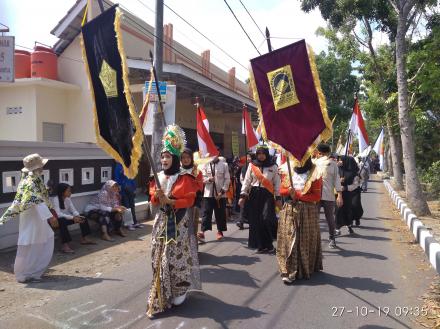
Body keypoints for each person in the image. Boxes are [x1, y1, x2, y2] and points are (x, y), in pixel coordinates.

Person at [146, 125, 199, 318]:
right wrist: (158, 197)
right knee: (158, 256)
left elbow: (190, 200)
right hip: (161, 221)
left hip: (179, 222)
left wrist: (171, 201)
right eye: (162, 156)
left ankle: (179, 288)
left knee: (176, 256)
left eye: (168, 156)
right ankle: (160, 291)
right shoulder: (157, 177)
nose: (164, 160)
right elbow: (151, 198)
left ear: (175, 158)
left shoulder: (185, 177)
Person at [0, 154, 56, 283]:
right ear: (37, 167)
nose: (43, 167)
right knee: (30, 243)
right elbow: (35, 200)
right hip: (33, 216)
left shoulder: (32, 179)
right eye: (41, 165)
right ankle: (24, 274)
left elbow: (37, 196)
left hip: (35, 215)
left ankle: (33, 272)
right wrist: (50, 216)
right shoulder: (30, 181)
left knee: (42, 240)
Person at [276, 157, 323, 284]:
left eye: (302, 159)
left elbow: (317, 196)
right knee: (290, 239)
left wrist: (298, 194)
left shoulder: (315, 173)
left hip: (307, 211)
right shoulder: (289, 171)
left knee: (303, 241)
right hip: (290, 210)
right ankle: (289, 270)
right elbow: (282, 189)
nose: (299, 162)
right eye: (297, 159)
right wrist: (289, 191)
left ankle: (302, 268)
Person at [239, 144, 281, 253]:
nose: (261, 156)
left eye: (263, 154)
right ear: (256, 155)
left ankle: (269, 244)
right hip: (254, 194)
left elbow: (277, 183)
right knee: (256, 221)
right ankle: (260, 245)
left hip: (267, 195)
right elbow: (247, 181)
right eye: (259, 154)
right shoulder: (252, 165)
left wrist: (278, 198)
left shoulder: (273, 166)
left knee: (266, 218)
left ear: (267, 154)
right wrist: (243, 195)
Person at [180, 147, 203, 287]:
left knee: (192, 229)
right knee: (182, 228)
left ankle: (193, 252)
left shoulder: (196, 171)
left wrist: (195, 200)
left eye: (187, 157)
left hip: (192, 203)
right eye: (183, 158)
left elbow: (199, 186)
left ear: (191, 158)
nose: (185, 160)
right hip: (180, 204)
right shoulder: (178, 170)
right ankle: (183, 252)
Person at [51, 183, 95, 253]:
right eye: (68, 191)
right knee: (62, 221)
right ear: (62, 192)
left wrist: (77, 216)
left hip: (67, 218)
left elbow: (73, 210)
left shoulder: (68, 199)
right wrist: (72, 218)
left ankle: (85, 238)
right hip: (57, 220)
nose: (70, 192)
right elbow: (58, 214)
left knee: (83, 217)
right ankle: (65, 245)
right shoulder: (55, 199)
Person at [315, 143, 343, 249]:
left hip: (328, 196)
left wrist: (339, 195)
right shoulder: (314, 163)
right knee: (314, 219)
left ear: (320, 153)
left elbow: (337, 180)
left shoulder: (333, 164)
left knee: (330, 218)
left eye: (318, 152)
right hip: (315, 195)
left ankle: (332, 238)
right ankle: (315, 239)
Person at [198, 152, 230, 242]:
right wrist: (208, 179)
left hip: (220, 194)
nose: (213, 156)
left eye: (214, 154)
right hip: (208, 194)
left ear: (218, 154)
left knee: (220, 213)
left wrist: (222, 192)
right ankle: (202, 232)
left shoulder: (224, 164)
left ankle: (220, 231)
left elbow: (227, 179)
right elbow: (201, 178)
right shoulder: (205, 165)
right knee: (206, 212)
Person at [335, 156, 359, 235]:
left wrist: (345, 187)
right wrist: (339, 181)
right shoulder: (338, 169)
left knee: (347, 210)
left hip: (348, 194)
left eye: (341, 160)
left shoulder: (354, 173)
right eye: (339, 160)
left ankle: (349, 226)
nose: (340, 161)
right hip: (338, 194)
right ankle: (337, 228)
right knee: (338, 210)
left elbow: (356, 185)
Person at [114, 162, 141, 230]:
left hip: (130, 189)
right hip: (123, 190)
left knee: (132, 205)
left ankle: (135, 222)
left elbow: (132, 177)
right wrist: (119, 189)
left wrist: (134, 187)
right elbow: (117, 179)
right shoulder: (118, 166)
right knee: (126, 206)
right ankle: (128, 224)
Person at [236, 152, 254, 230]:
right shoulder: (245, 166)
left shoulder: (256, 166)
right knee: (243, 205)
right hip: (245, 189)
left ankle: (252, 221)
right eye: (247, 157)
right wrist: (245, 186)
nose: (248, 158)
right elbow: (242, 178)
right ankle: (241, 222)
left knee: (252, 206)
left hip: (254, 189)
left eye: (249, 157)